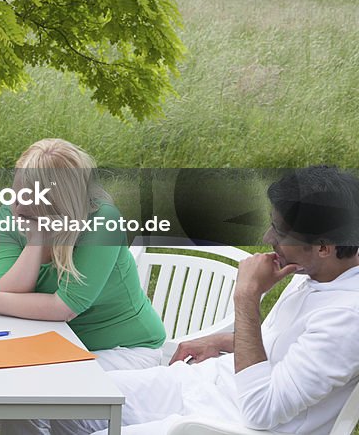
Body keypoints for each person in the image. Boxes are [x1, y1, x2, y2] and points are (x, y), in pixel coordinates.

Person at [70, 165, 359, 435]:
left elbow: (262, 409)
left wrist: (247, 298)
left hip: (216, 421)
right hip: (200, 386)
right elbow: (288, 350)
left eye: (280, 231)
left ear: (323, 247)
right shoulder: (320, 273)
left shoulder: (346, 319)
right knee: (68, 399)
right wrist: (222, 342)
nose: (267, 236)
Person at [0, 138, 165, 435]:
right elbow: (9, 291)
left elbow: (63, 307)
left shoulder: (102, 222)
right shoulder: (11, 214)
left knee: (30, 393)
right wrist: (37, 239)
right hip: (52, 345)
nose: (16, 203)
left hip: (122, 348)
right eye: (17, 189)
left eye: (29, 194)